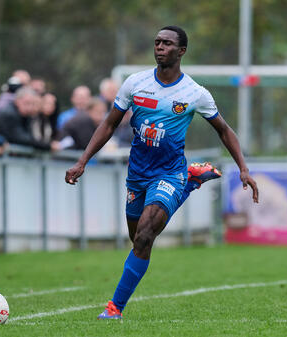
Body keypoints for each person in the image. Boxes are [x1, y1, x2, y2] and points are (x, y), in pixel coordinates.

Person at [64, 26, 259, 319]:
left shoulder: (195, 93)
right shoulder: (135, 84)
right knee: (138, 239)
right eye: (157, 42)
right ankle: (192, 181)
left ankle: (114, 308)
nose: (159, 47)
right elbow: (108, 124)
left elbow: (224, 130)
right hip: (138, 174)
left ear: (181, 52)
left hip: (168, 173)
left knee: (144, 236)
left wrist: (244, 168)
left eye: (167, 44)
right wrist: (83, 161)